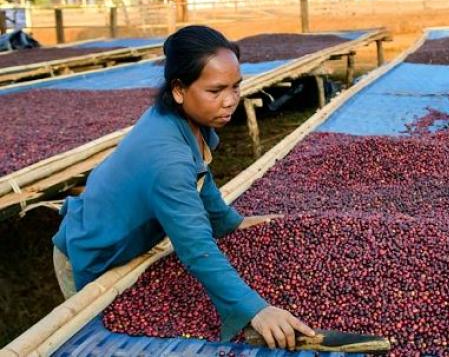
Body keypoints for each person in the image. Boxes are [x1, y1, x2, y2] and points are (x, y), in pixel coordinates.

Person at [52, 25, 315, 350]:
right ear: (179, 89)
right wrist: (255, 309)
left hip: (123, 237)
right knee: (101, 339)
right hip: (93, 252)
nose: (230, 100)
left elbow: (201, 180)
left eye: (236, 86)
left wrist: (231, 224)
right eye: (215, 90)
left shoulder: (186, 121)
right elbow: (194, 246)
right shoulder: (166, 158)